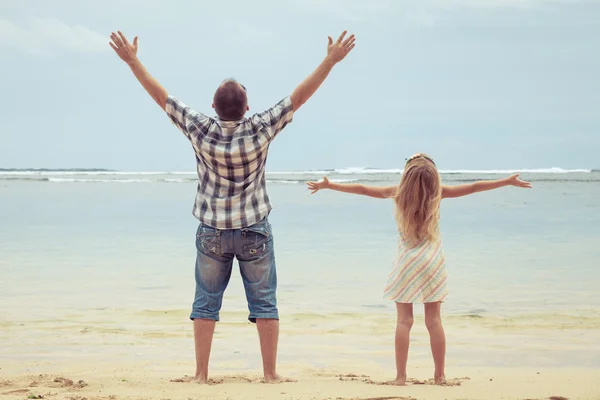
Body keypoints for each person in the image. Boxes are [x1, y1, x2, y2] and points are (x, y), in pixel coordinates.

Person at [108, 30, 356, 383]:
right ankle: (270, 375)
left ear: (213, 107)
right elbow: (298, 98)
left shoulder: (200, 128)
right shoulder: (260, 128)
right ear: (246, 107)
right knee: (265, 303)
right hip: (254, 228)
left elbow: (161, 98)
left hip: (212, 231)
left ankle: (201, 375)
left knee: (205, 302)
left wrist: (133, 61)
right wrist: (330, 60)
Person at [306, 153, 532, 385]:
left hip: (407, 262)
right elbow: (474, 187)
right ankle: (439, 376)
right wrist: (506, 181)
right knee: (434, 320)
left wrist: (329, 185)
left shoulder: (398, 193)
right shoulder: (439, 193)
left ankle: (401, 377)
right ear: (433, 176)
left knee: (404, 321)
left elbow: (363, 189)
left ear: (407, 175)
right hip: (432, 261)